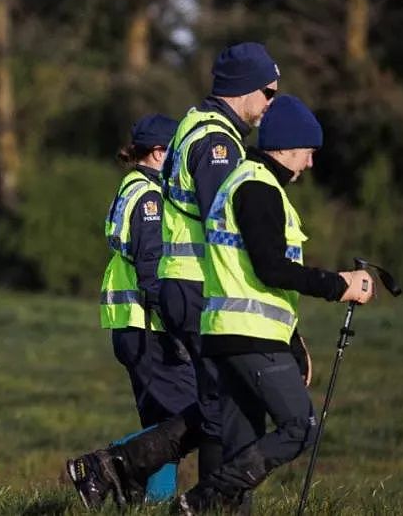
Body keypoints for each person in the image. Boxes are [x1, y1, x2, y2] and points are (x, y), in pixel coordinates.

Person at [67, 42, 281, 508]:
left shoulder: (146, 181)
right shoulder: (153, 190)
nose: (272, 102)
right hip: (155, 320)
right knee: (208, 408)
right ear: (158, 152)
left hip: (154, 316)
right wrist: (169, 316)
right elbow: (162, 255)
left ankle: (144, 491)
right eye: (268, 91)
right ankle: (128, 475)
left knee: (191, 410)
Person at [174, 96, 374, 513]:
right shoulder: (258, 187)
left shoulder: (245, 182)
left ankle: (209, 505)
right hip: (250, 336)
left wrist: (294, 341)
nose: (310, 164)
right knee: (301, 428)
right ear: (285, 148)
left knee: (240, 445)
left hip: (227, 335)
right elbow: (271, 269)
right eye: (308, 153)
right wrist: (338, 284)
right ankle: (201, 499)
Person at [97, 114, 196, 503]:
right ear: (158, 153)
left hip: (132, 326)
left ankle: (150, 501)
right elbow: (152, 269)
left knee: (160, 424)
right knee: (190, 418)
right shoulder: (151, 198)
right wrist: (177, 328)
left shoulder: (132, 188)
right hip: (149, 326)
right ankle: (106, 464)